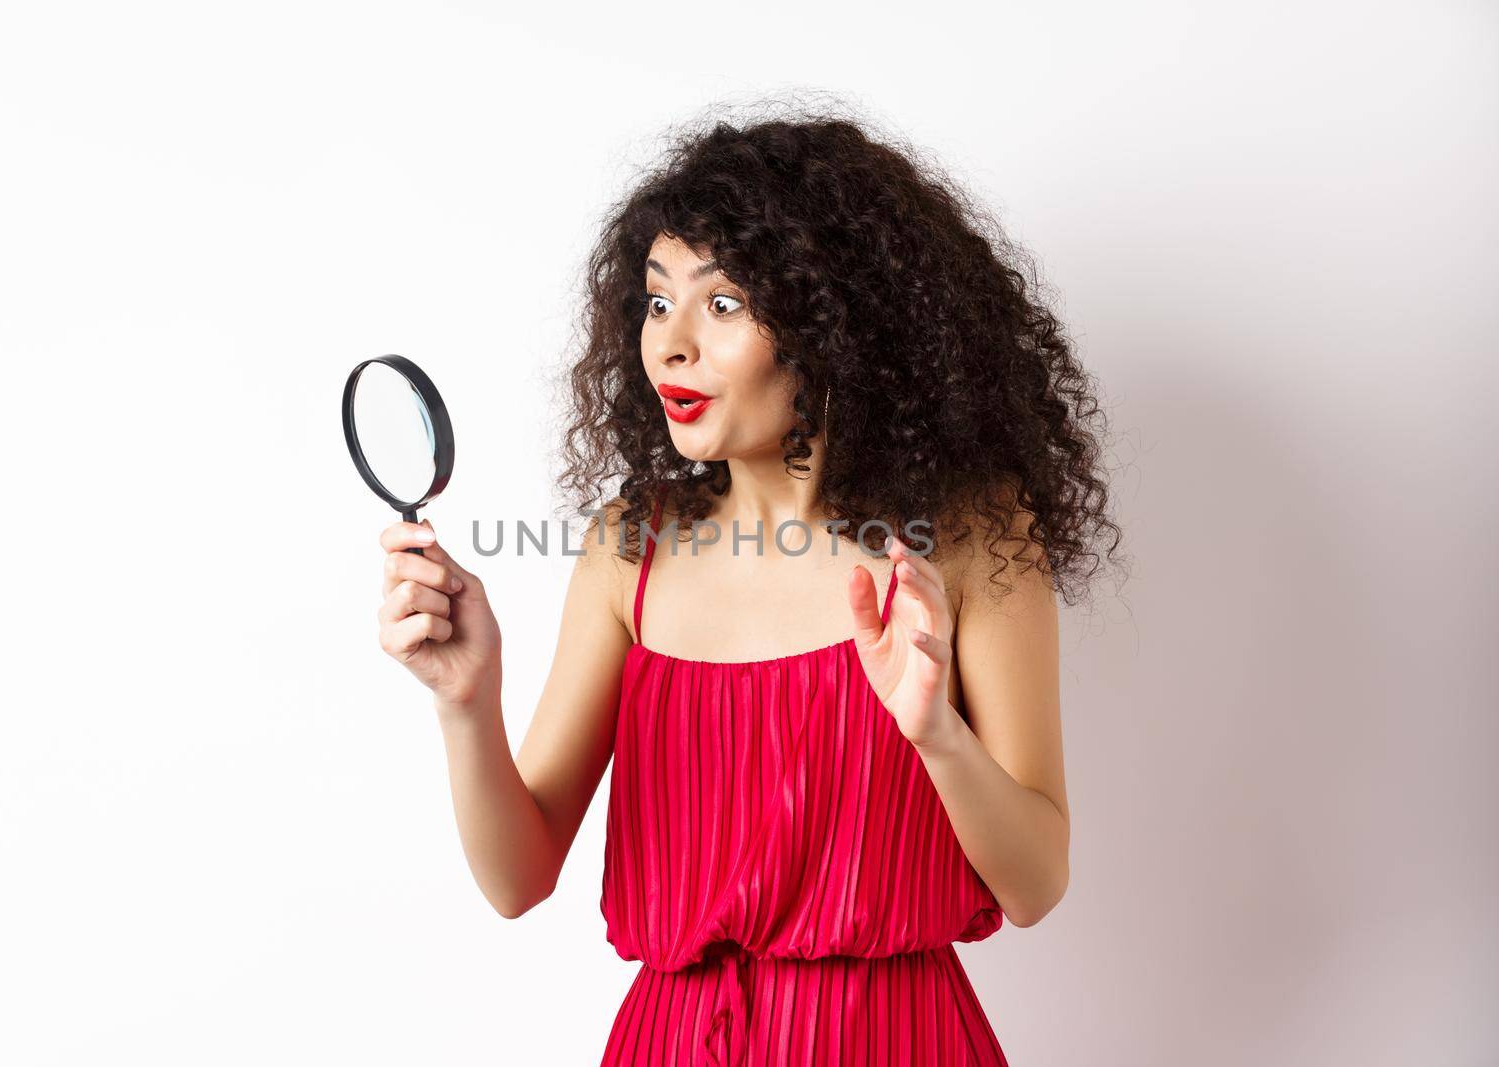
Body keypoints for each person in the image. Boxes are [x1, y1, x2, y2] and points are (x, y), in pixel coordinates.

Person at [375, 106, 1123, 1065]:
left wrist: (937, 733)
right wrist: (465, 701)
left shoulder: (969, 537)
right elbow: (517, 879)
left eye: (721, 303)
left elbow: (1034, 882)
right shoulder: (628, 552)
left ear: (832, 319)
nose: (670, 344)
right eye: (656, 301)